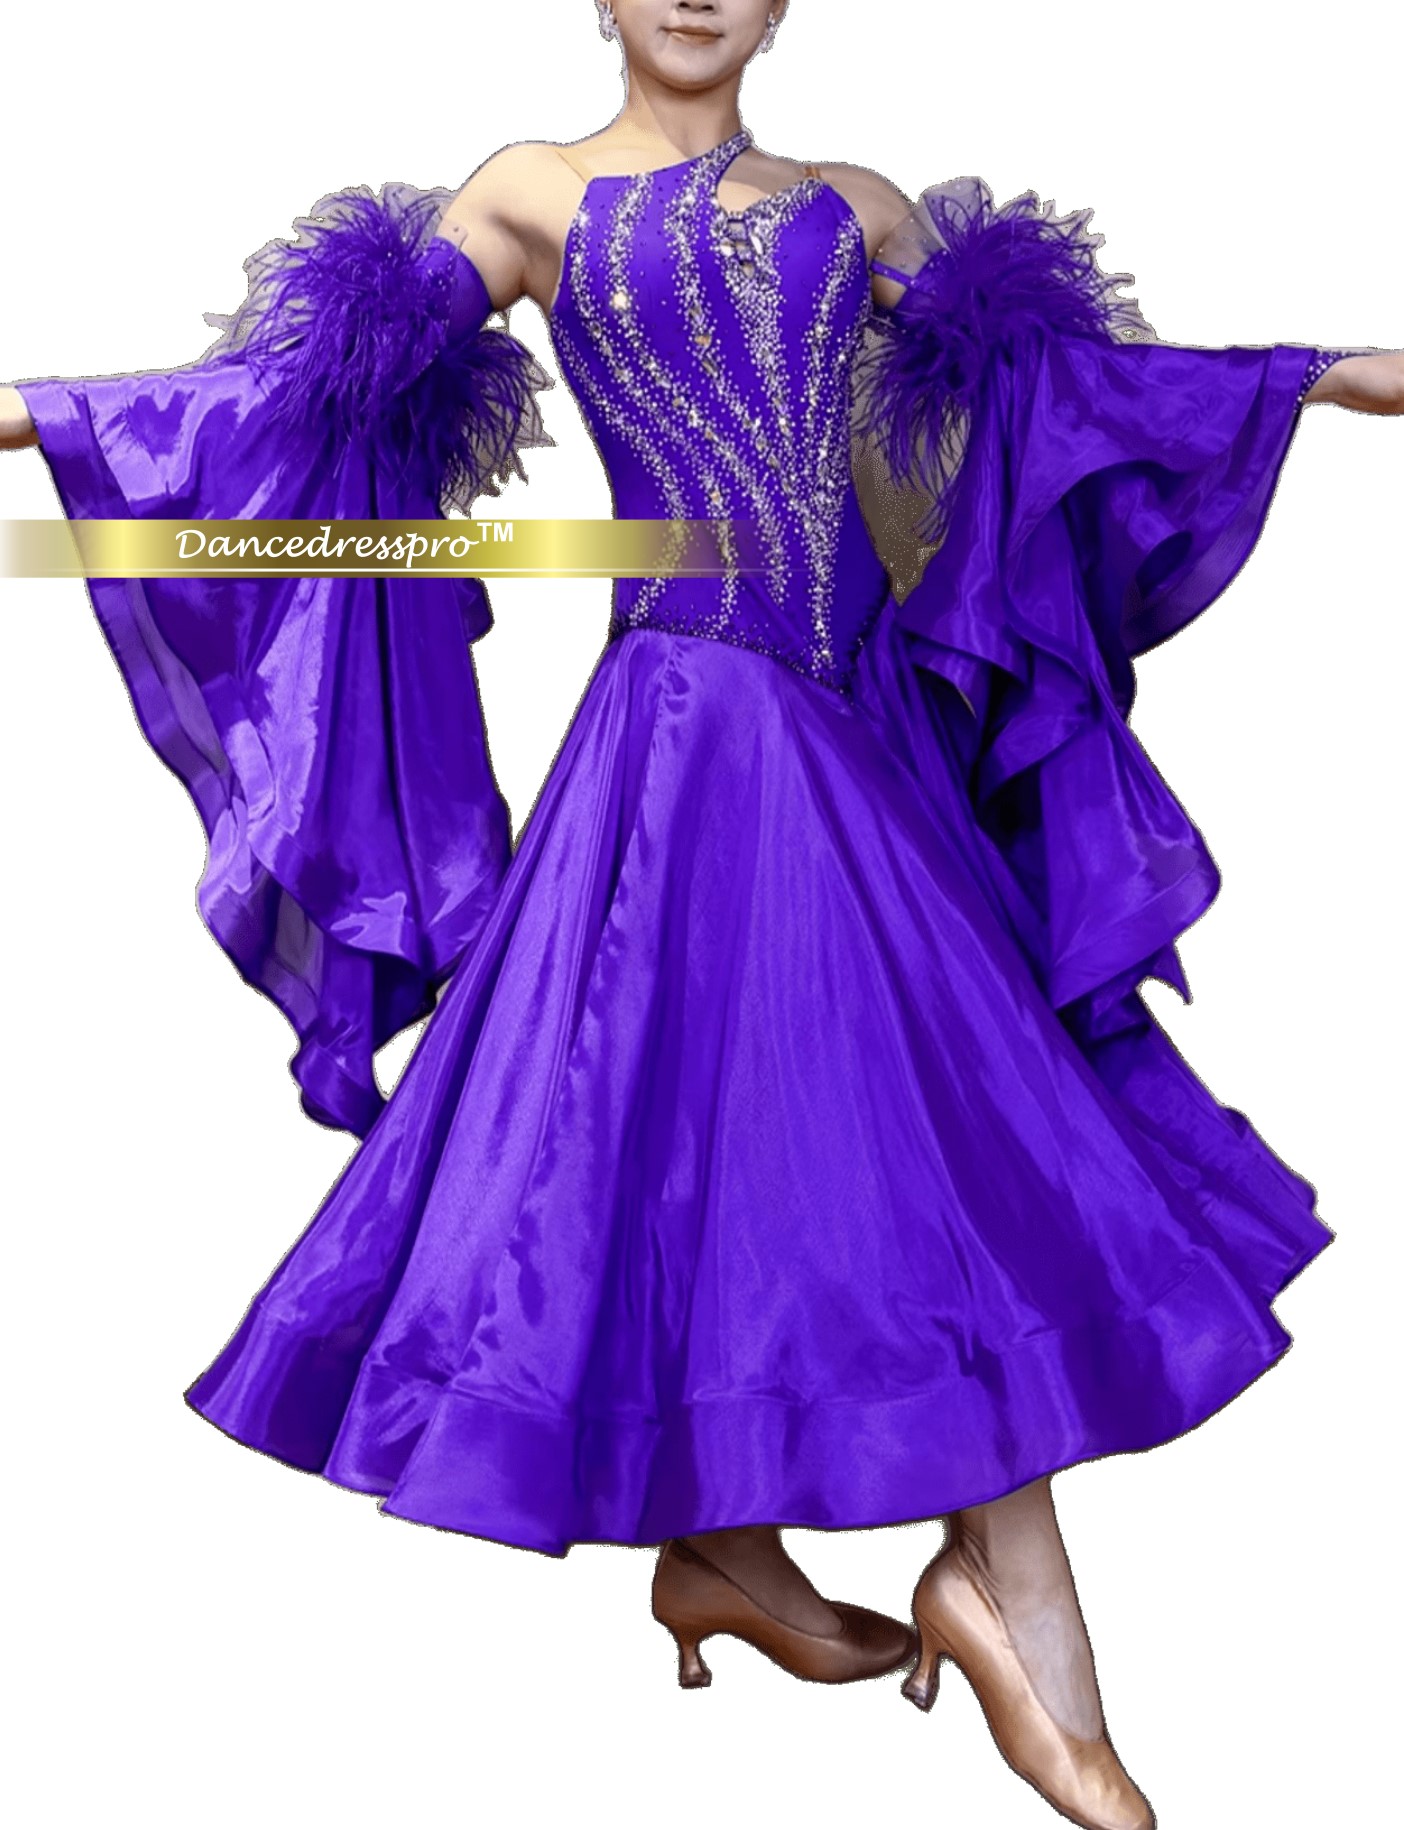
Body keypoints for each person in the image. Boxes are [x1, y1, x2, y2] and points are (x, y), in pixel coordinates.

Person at [2, 3, 1400, 1826]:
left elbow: (1059, 393)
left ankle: (741, 1551)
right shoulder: (534, 192)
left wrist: (1315, 375)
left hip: (864, 728)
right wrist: (43, 416)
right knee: (824, 1147)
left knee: (875, 1145)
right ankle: (999, 1609)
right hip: (689, 728)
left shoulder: (858, 205)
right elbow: (294, 393)